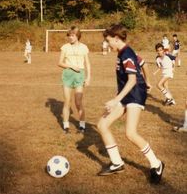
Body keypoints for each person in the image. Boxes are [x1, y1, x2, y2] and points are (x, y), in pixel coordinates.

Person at [97, 24, 164, 184]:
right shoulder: (125, 52)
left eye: (108, 40)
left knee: (130, 133)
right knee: (102, 124)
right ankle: (117, 163)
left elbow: (133, 79)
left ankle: (156, 163)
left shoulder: (126, 53)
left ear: (117, 38)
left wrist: (116, 100)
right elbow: (142, 63)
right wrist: (147, 81)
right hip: (127, 95)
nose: (107, 44)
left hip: (135, 95)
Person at [58, 26, 91, 134]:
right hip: (67, 75)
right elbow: (60, 63)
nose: (70, 37)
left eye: (72, 35)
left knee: (78, 102)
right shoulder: (65, 47)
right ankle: (66, 125)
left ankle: (82, 125)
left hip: (79, 75)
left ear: (77, 36)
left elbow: (87, 63)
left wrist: (88, 77)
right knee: (67, 101)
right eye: (69, 35)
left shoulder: (84, 47)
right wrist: (71, 66)